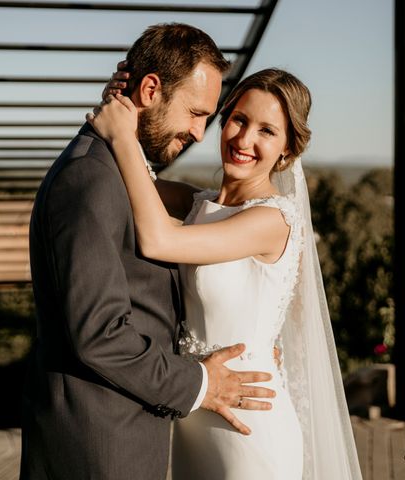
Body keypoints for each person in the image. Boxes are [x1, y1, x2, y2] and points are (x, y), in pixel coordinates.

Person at [19, 24, 276, 480]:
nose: (200, 133)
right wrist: (200, 383)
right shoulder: (90, 179)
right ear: (151, 89)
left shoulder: (120, 170)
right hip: (99, 441)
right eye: (196, 113)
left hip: (126, 429)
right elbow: (99, 334)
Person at [89, 68, 363, 478]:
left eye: (267, 131)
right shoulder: (197, 204)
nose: (244, 140)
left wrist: (121, 135)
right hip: (195, 416)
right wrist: (122, 104)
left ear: (287, 151)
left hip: (249, 425)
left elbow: (158, 240)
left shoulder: (273, 221)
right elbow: (125, 179)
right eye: (239, 119)